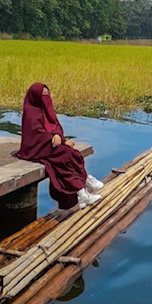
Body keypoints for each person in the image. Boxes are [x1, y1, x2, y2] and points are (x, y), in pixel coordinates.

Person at [15, 82, 104, 210]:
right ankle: (84, 183)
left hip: (47, 144)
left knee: (69, 155)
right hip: (35, 148)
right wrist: (60, 141)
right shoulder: (31, 112)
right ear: (36, 97)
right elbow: (37, 134)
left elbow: (55, 126)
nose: (46, 98)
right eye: (43, 95)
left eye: (47, 94)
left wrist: (59, 137)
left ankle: (82, 192)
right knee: (66, 154)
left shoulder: (45, 109)